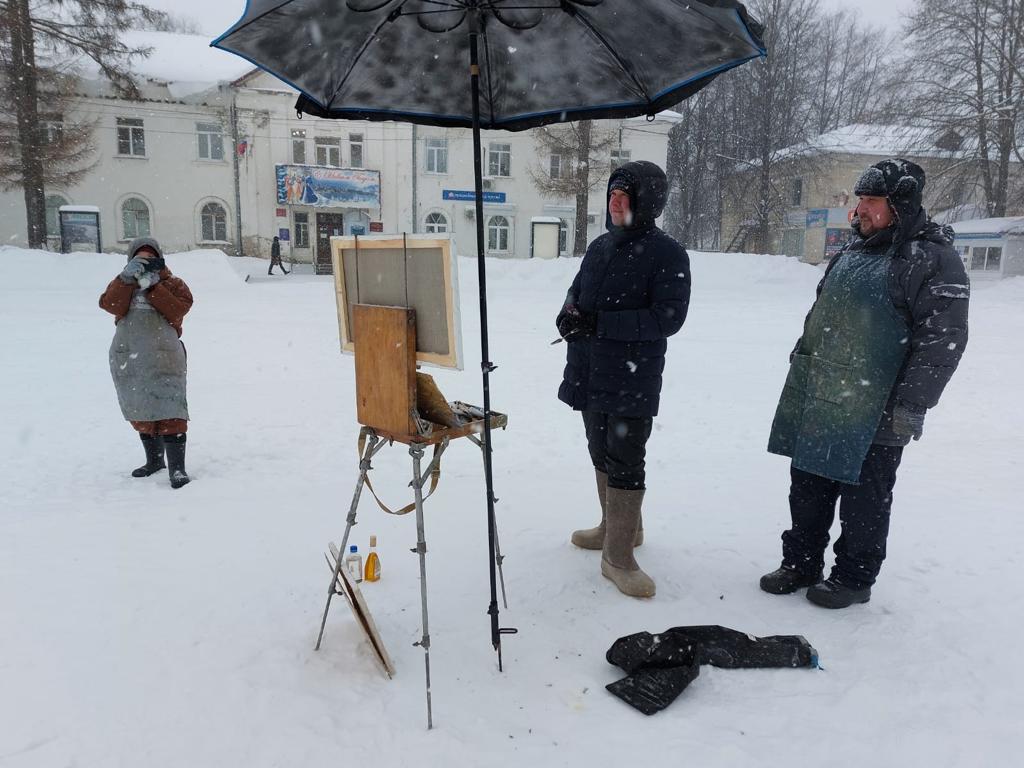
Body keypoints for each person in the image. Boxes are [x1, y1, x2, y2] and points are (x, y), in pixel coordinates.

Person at [762, 158, 970, 608]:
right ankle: (801, 563)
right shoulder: (851, 252)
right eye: (860, 200)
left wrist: (912, 403)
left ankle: (854, 578)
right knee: (808, 486)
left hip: (878, 406)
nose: (860, 210)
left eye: (872, 200)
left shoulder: (932, 259)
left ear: (900, 204)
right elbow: (820, 317)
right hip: (823, 395)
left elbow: (942, 340)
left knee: (864, 499)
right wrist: (802, 360)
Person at [556, 160, 691, 598]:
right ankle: (618, 529)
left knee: (626, 458)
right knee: (599, 448)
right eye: (612, 194)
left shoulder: (667, 253)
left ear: (646, 202)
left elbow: (667, 317)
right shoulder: (600, 246)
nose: (615, 203)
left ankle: (618, 558)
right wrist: (568, 314)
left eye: (624, 196)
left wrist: (599, 324)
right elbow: (577, 290)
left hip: (632, 375)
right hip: (589, 368)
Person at [99, 237, 194, 489]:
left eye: (151, 258)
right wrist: (125, 279)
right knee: (141, 408)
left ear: (159, 259)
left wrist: (154, 286)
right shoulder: (123, 282)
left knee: (171, 409)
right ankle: (154, 461)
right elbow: (110, 304)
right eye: (140, 258)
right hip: (131, 357)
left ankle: (177, 469)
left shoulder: (173, 283)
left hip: (165, 357)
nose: (146, 262)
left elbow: (177, 310)